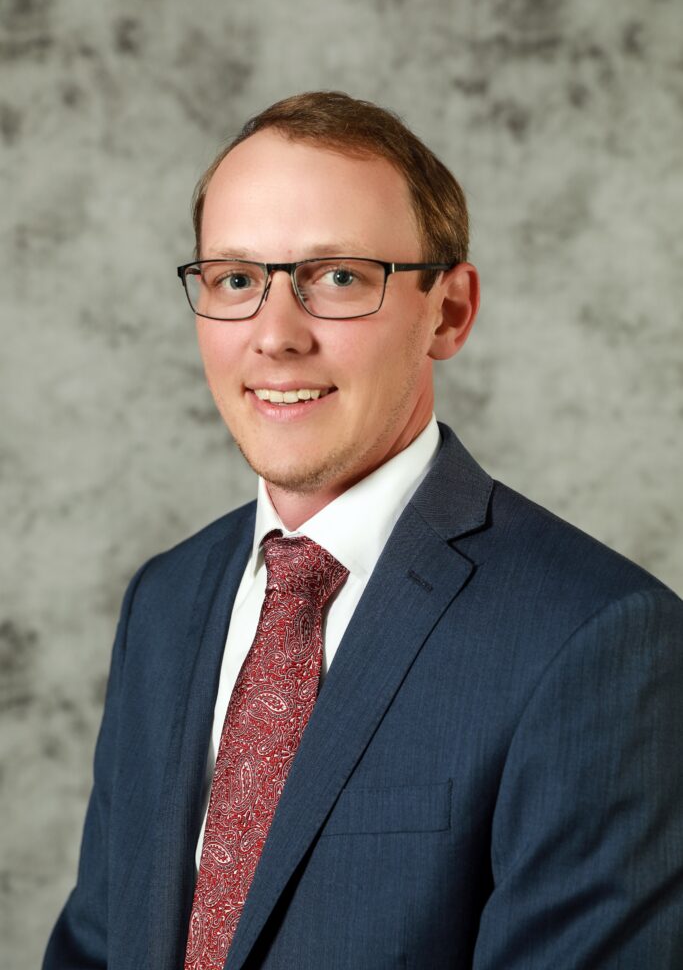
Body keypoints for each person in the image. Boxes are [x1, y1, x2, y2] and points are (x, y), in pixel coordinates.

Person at [44, 91, 683, 970]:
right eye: (235, 279)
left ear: (448, 312)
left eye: (338, 277)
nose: (274, 335)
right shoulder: (165, 602)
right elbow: (95, 945)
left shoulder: (597, 639)